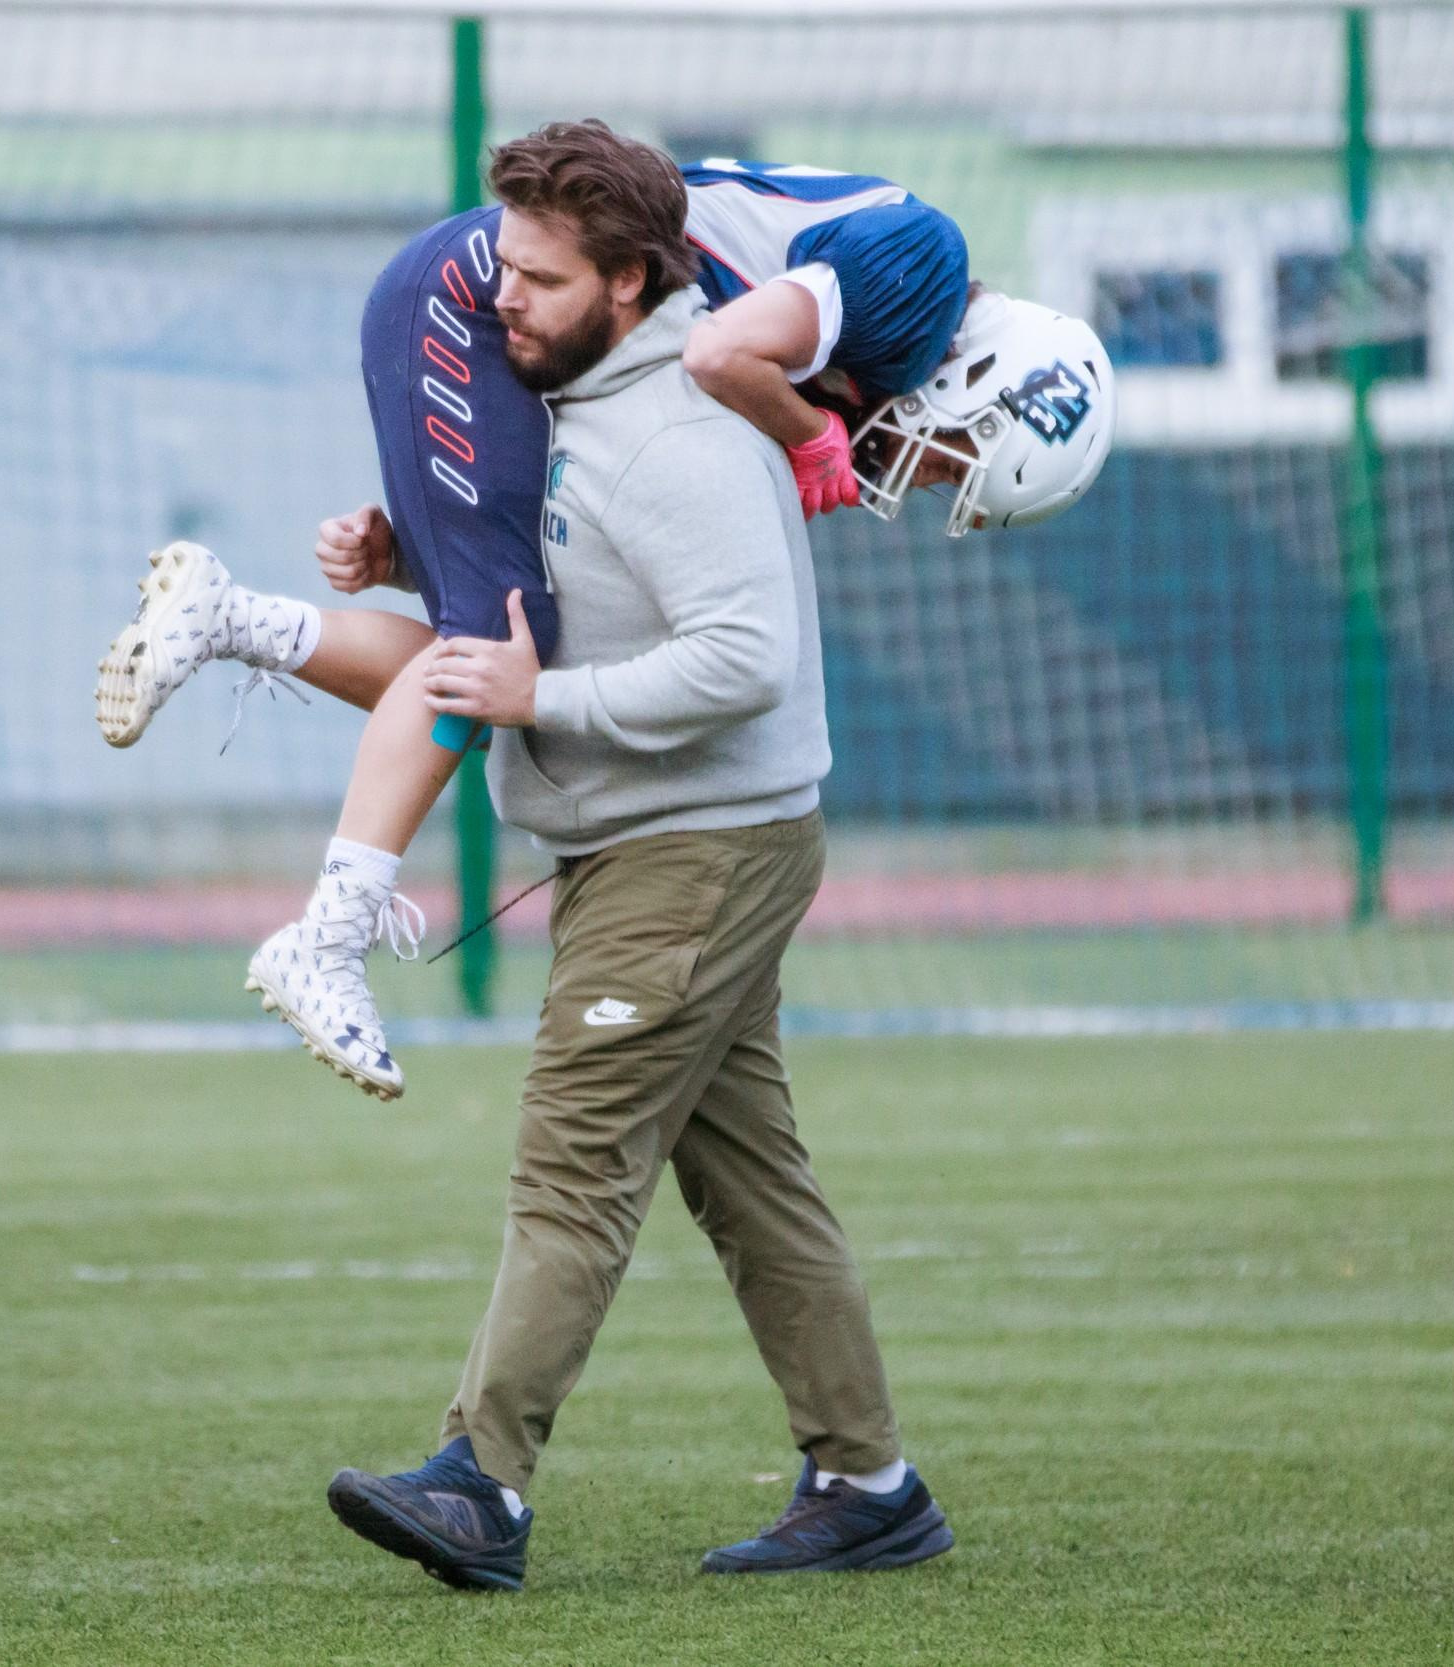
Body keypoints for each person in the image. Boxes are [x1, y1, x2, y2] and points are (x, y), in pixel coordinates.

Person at [92, 124, 1114, 1100]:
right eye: (952, 459)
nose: (925, 476)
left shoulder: (880, 325)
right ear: (981, 382)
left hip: (511, 301)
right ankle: (327, 931)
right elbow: (718, 353)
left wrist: (419, 555)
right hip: (489, 295)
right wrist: (813, 440)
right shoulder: (922, 267)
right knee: (496, 647)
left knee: (515, 647)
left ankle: (232, 621)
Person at [312, 121, 949, 1592]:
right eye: (502, 264)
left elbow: (745, 653)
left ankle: (481, 1481)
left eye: (539, 277)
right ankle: (870, 1480)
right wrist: (405, 558)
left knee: (575, 1157)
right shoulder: (577, 390)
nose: (499, 297)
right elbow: (584, 562)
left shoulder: (675, 426)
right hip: (657, 844)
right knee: (753, 1180)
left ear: (628, 281)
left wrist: (546, 703)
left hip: (699, 848)